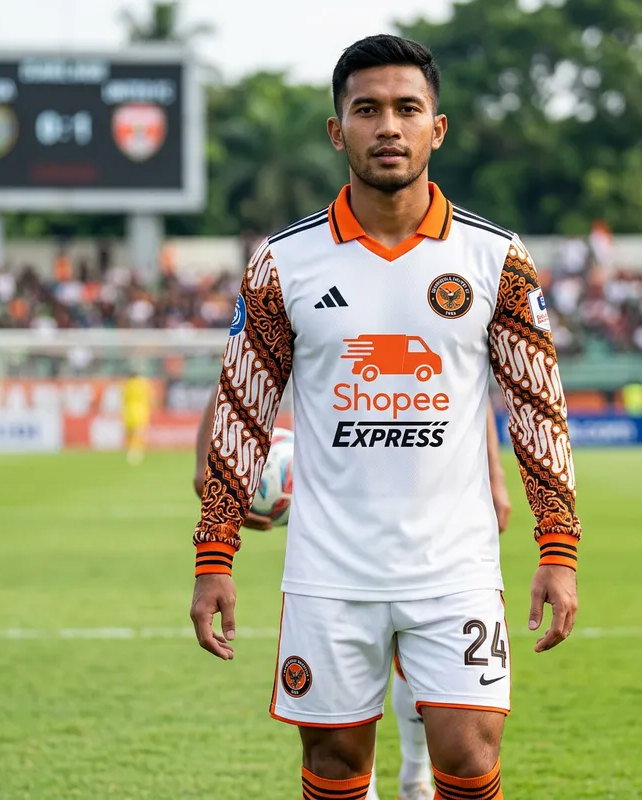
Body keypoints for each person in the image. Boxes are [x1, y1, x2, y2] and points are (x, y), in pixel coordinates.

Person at [190, 34, 581, 800]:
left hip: (455, 563)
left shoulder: (495, 257)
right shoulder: (283, 262)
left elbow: (539, 406)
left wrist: (558, 546)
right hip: (329, 567)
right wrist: (214, 557)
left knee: (468, 754)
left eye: (408, 108)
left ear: (438, 127)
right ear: (339, 132)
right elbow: (242, 408)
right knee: (335, 766)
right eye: (367, 110)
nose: (389, 127)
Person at [193, 389, 512, 800]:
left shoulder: (448, 327)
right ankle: (371, 780)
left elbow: (467, 380)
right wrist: (210, 467)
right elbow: (238, 375)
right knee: (340, 740)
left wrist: (495, 474)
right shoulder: (304, 324)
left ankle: (413, 776)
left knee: (451, 720)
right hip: (336, 537)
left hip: (442, 531)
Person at [122, 371, 153, 466]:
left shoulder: (127, 385)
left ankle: (129, 450)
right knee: (139, 432)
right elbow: (151, 396)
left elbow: (124, 398)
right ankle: (136, 452)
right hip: (141, 410)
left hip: (129, 410)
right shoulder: (144, 383)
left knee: (130, 432)